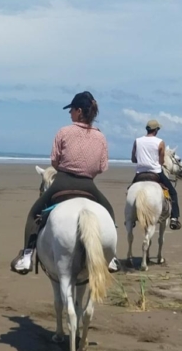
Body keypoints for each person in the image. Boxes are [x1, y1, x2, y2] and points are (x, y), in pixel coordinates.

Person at [10, 91, 118, 274]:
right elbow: (102, 167)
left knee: (33, 213)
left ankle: (27, 256)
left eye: (71, 110)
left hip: (63, 182)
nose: (70, 113)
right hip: (88, 185)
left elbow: (54, 161)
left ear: (79, 111)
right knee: (109, 212)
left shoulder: (64, 132)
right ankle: (111, 257)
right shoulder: (100, 137)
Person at [131, 119, 181, 229]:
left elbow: (133, 159)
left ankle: (131, 217)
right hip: (156, 172)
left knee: (129, 191)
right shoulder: (160, 142)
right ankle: (174, 218)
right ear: (156, 130)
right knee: (173, 193)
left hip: (140, 173)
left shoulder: (137, 141)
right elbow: (161, 161)